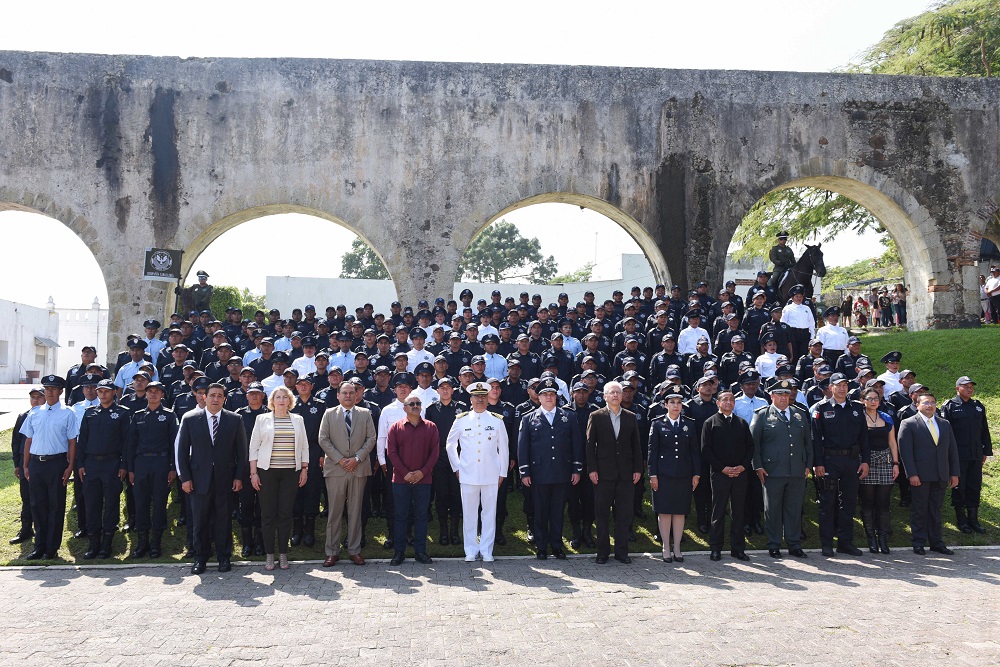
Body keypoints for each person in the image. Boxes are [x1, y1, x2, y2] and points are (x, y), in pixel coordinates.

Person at [176, 383, 249, 574]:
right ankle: (200, 558)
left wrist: (238, 477)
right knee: (199, 521)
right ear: (204, 398)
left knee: (223, 520)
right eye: (212, 395)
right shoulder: (191, 419)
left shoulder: (235, 419)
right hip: (198, 480)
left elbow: (242, 452)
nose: (215, 399)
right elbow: (182, 451)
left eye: (219, 396)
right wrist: (185, 478)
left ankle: (224, 557)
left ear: (224, 399)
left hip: (225, 479)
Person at [517, 377, 584, 560]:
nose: (549, 398)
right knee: (540, 511)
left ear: (556, 397)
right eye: (545, 394)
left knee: (557, 511)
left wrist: (576, 469)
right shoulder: (529, 418)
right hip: (539, 473)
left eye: (552, 394)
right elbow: (523, 447)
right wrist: (525, 472)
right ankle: (541, 546)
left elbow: (576, 445)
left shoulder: (568, 416)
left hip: (562, 472)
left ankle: (556, 545)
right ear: (538, 397)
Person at [446, 381, 509, 562]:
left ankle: (487, 550)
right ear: (470, 399)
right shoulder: (462, 419)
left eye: (483, 397)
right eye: (476, 396)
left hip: (491, 474)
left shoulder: (496, 420)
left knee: (489, 513)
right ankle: (471, 550)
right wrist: (457, 467)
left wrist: (502, 472)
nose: (480, 400)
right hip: (467, 473)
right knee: (469, 513)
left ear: (488, 399)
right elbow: (450, 445)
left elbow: (503, 448)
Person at [249, 385, 309, 571]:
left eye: (285, 397)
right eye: (278, 397)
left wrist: (305, 469)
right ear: (272, 401)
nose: (281, 400)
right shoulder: (262, 419)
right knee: (267, 515)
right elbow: (253, 447)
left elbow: (305, 447)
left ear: (289, 400)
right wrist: (253, 473)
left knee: (285, 514)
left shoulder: (298, 420)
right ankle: (269, 555)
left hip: (291, 473)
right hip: (267, 472)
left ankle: (283, 554)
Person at [750, 379, 812, 558]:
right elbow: (754, 444)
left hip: (797, 470)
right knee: (773, 509)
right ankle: (774, 544)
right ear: (771, 396)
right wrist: (758, 466)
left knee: (794, 508)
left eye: (786, 394)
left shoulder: (799, 414)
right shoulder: (761, 415)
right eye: (780, 394)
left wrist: (808, 465)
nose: (784, 397)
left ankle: (794, 544)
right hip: (772, 471)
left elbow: (808, 442)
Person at [19, 375, 78, 560]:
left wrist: (70, 466)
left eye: (53, 389)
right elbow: (28, 440)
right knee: (37, 505)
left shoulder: (68, 413)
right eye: (47, 388)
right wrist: (26, 465)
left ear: (61, 391)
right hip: (36, 464)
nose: (49, 392)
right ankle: (39, 546)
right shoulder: (35, 413)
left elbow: (72, 442)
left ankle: (51, 548)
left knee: (56, 506)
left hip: (57, 464)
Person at [811, 373, 870, 557]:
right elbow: (815, 439)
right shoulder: (821, 408)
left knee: (849, 503)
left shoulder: (857, 408)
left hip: (851, 461)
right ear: (830, 388)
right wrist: (818, 463)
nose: (843, 388)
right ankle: (827, 543)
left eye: (845, 384)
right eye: (838, 385)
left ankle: (846, 542)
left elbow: (864, 437)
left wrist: (865, 461)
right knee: (828, 503)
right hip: (829, 461)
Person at [318, 382, 376, 567]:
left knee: (355, 512)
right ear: (338, 395)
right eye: (345, 393)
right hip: (336, 469)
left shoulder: (365, 414)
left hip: (358, 469)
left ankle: (354, 550)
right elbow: (323, 439)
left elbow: (371, 438)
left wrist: (357, 459)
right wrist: (341, 460)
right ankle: (332, 551)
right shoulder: (329, 414)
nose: (349, 396)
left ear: (357, 394)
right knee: (334, 512)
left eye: (352, 392)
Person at [586, 381, 642, 565]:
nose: (616, 395)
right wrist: (592, 469)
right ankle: (602, 552)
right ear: (605, 396)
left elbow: (636, 446)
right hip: (602, 474)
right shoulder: (596, 416)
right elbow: (589, 446)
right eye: (612, 392)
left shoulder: (631, 417)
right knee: (601, 514)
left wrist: (637, 469)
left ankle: (621, 552)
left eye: (618, 392)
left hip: (626, 474)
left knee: (624, 514)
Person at [897, 392, 960, 555]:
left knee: (936, 509)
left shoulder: (944, 424)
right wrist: (912, 474)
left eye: (932, 402)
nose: (930, 405)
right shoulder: (908, 423)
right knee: (919, 509)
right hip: (920, 475)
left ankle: (936, 542)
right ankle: (918, 542)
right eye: (926, 402)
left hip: (941, 474)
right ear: (917, 405)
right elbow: (906, 452)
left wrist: (954, 473)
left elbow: (952, 450)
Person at [76, 379, 130, 559]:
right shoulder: (90, 413)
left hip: (112, 464)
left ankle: (107, 545)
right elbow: (82, 440)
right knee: (92, 504)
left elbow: (126, 443)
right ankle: (93, 545)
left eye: (107, 391)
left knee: (111, 505)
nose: (103, 394)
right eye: (100, 391)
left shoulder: (122, 413)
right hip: (91, 464)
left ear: (114, 392)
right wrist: (81, 464)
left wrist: (123, 465)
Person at [386, 390, 439, 565]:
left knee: (421, 516)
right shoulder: (395, 427)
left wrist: (422, 472)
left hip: (424, 480)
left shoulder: (431, 427)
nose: (415, 407)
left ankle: (420, 552)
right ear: (404, 408)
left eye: (418, 404)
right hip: (401, 480)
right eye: (412, 404)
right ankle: (399, 552)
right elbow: (392, 453)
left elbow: (434, 453)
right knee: (400, 516)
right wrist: (405, 473)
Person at [126, 381, 178, 559]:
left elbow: (174, 444)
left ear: (162, 394)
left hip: (162, 463)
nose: (153, 394)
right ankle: (142, 543)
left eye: (157, 391)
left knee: (159, 504)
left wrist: (173, 467)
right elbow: (131, 444)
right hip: (141, 464)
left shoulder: (170, 416)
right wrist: (131, 469)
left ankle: (156, 543)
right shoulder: (138, 415)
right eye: (150, 391)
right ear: (145, 394)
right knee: (140, 503)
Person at [701, 389, 754, 561]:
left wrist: (742, 467)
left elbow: (750, 448)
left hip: (740, 474)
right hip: (720, 474)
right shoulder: (710, 423)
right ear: (718, 403)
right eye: (725, 399)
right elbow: (706, 450)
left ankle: (737, 548)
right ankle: (716, 548)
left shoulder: (741, 423)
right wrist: (722, 468)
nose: (729, 402)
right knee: (718, 511)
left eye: (731, 399)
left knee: (738, 512)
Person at [648, 391, 700, 562]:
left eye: (679, 402)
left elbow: (694, 452)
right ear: (665, 405)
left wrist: (696, 473)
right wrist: (653, 475)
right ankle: (665, 546)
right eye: (672, 402)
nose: (676, 405)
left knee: (679, 511)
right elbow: (652, 452)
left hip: (684, 474)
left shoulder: (689, 424)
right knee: (664, 511)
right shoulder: (657, 424)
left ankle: (677, 547)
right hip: (663, 474)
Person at [941, 376, 992, 534]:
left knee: (974, 486)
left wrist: (986, 450)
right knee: (959, 487)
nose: (970, 389)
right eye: (966, 386)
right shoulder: (949, 406)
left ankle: (973, 520)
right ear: (957, 388)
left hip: (975, 454)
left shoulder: (977, 406)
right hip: (958, 455)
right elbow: (945, 433)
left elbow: (984, 430)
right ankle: (961, 520)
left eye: (971, 386)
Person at [858, 387, 900, 554]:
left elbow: (892, 443)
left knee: (883, 503)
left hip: (885, 462)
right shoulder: (859, 418)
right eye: (870, 398)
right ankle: (871, 539)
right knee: (867, 503)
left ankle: (882, 538)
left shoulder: (887, 417)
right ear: (863, 400)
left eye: (876, 398)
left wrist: (895, 463)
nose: (874, 401)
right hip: (866, 462)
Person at [10, 387, 45, 547]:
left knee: (42, 498)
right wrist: (17, 464)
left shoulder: (48, 415)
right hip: (26, 463)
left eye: (39, 397)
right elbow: (16, 441)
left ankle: (42, 529)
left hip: (43, 463)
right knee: (26, 497)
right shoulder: (23, 417)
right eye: (33, 397)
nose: (35, 400)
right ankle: (26, 528)